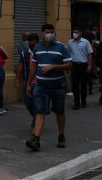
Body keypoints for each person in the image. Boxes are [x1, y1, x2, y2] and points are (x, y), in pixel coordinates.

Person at [26, 23, 72, 151]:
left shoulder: (62, 47)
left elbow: (69, 65)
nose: (49, 34)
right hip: (41, 85)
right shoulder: (37, 48)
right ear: (42, 33)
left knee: (59, 111)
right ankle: (36, 140)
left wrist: (53, 66)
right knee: (40, 111)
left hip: (57, 85)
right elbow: (34, 66)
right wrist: (29, 83)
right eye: (47, 32)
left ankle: (61, 136)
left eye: (51, 32)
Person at [16, 33, 39, 132]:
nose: (31, 44)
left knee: (37, 104)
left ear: (37, 42)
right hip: (28, 82)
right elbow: (21, 66)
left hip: (39, 83)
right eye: (29, 42)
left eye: (33, 42)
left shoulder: (41, 52)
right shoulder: (25, 53)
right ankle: (37, 117)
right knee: (28, 103)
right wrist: (17, 79)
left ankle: (36, 123)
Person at [66, 29, 93, 110]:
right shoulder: (70, 42)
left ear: (80, 33)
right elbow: (68, 54)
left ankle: (83, 101)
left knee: (84, 85)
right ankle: (76, 103)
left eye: (76, 32)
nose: (74, 34)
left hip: (83, 65)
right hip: (74, 65)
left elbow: (90, 54)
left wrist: (89, 65)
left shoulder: (85, 42)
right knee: (75, 85)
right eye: (73, 32)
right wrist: (68, 66)